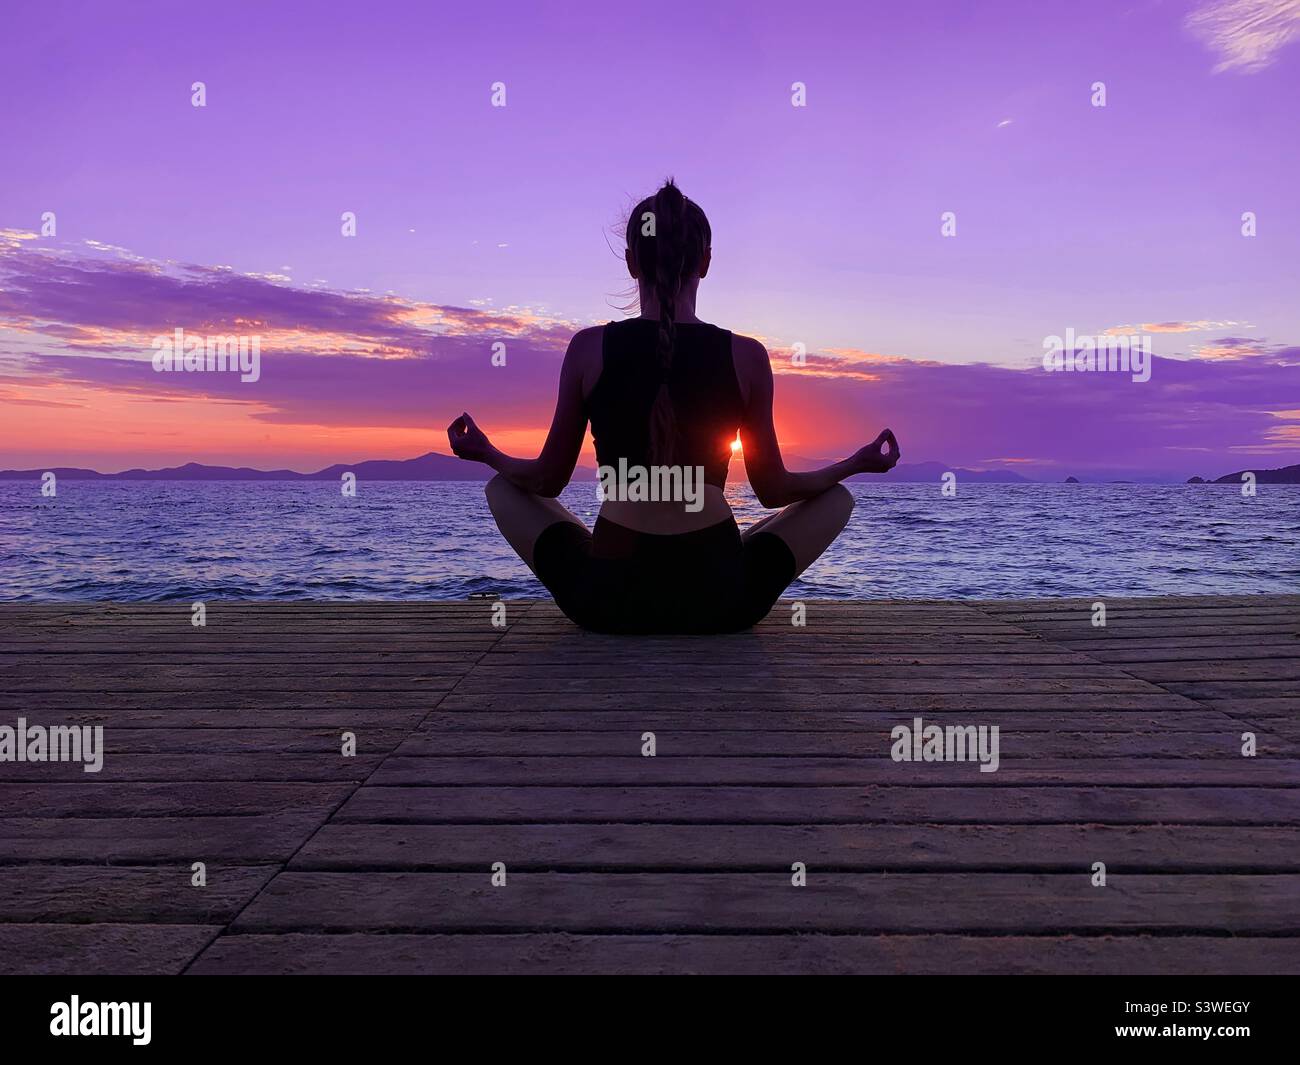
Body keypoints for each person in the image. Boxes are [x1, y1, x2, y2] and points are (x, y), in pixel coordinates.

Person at [448, 179, 899, 633]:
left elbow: (546, 480)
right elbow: (774, 490)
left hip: (606, 602)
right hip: (722, 602)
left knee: (501, 488)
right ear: (704, 262)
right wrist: (853, 463)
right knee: (836, 498)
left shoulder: (589, 349)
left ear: (630, 262)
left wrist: (486, 452)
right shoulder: (746, 356)